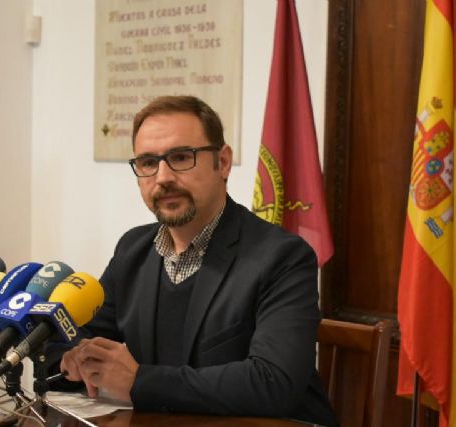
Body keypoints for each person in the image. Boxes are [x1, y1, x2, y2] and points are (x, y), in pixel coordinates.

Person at [56, 95, 337, 426]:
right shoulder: (133, 250)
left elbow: (273, 383)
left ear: (223, 162)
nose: (162, 177)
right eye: (148, 162)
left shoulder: (282, 257)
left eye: (180, 157)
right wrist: (73, 359)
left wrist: (139, 381)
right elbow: (81, 339)